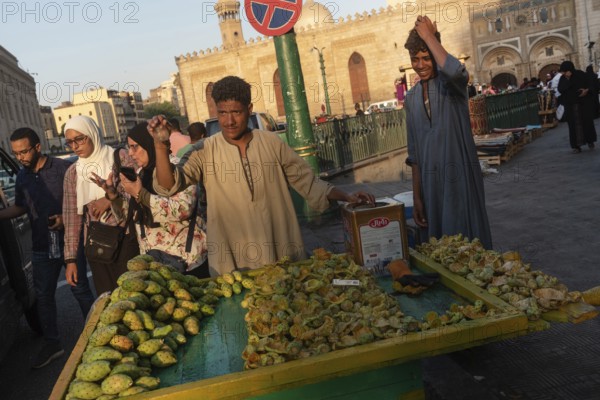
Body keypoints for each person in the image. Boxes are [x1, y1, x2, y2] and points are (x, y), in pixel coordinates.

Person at [147, 75, 375, 275]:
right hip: (233, 265)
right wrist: (160, 145)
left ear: (249, 109)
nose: (228, 121)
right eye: (222, 113)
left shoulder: (271, 143)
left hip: (282, 256)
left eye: (236, 112)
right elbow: (169, 185)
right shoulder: (204, 150)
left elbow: (308, 182)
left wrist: (348, 196)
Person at [0, 128, 95, 369]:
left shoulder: (63, 169)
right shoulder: (22, 177)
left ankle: (95, 337)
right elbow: (20, 208)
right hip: (42, 246)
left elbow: (83, 201)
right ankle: (53, 344)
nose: (20, 157)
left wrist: (65, 218)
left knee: (80, 289)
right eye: (16, 153)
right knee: (43, 297)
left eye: (23, 151)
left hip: (69, 242)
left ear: (37, 147)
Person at [403, 15, 492, 249]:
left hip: (459, 177)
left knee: (465, 238)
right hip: (430, 187)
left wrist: (429, 36)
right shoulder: (411, 98)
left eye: (426, 58)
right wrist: (417, 197)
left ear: (435, 54)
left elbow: (456, 72)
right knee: (438, 244)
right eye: (415, 59)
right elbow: (414, 155)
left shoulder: (451, 87)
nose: (420, 65)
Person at [92, 122, 208, 276]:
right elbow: (132, 215)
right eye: (129, 147)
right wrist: (114, 197)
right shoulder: (142, 174)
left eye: (135, 147)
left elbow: (183, 209)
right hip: (155, 263)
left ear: (150, 144)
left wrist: (141, 195)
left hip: (188, 261)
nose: (131, 153)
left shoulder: (179, 167)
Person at [63, 116, 140, 295]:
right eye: (69, 142)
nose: (75, 146)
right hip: (96, 245)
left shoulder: (119, 157)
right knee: (107, 299)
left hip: (126, 240)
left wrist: (109, 198)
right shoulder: (73, 173)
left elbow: (138, 192)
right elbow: (71, 219)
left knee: (134, 296)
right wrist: (71, 260)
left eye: (79, 139)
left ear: (92, 134)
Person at [557, 61, 597, 153]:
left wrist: (586, 90)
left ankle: (590, 141)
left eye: (565, 71)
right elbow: (560, 89)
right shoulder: (563, 79)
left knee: (587, 123)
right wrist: (567, 80)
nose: (563, 73)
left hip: (583, 104)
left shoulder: (580, 74)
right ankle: (576, 146)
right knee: (573, 126)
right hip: (571, 106)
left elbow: (590, 84)